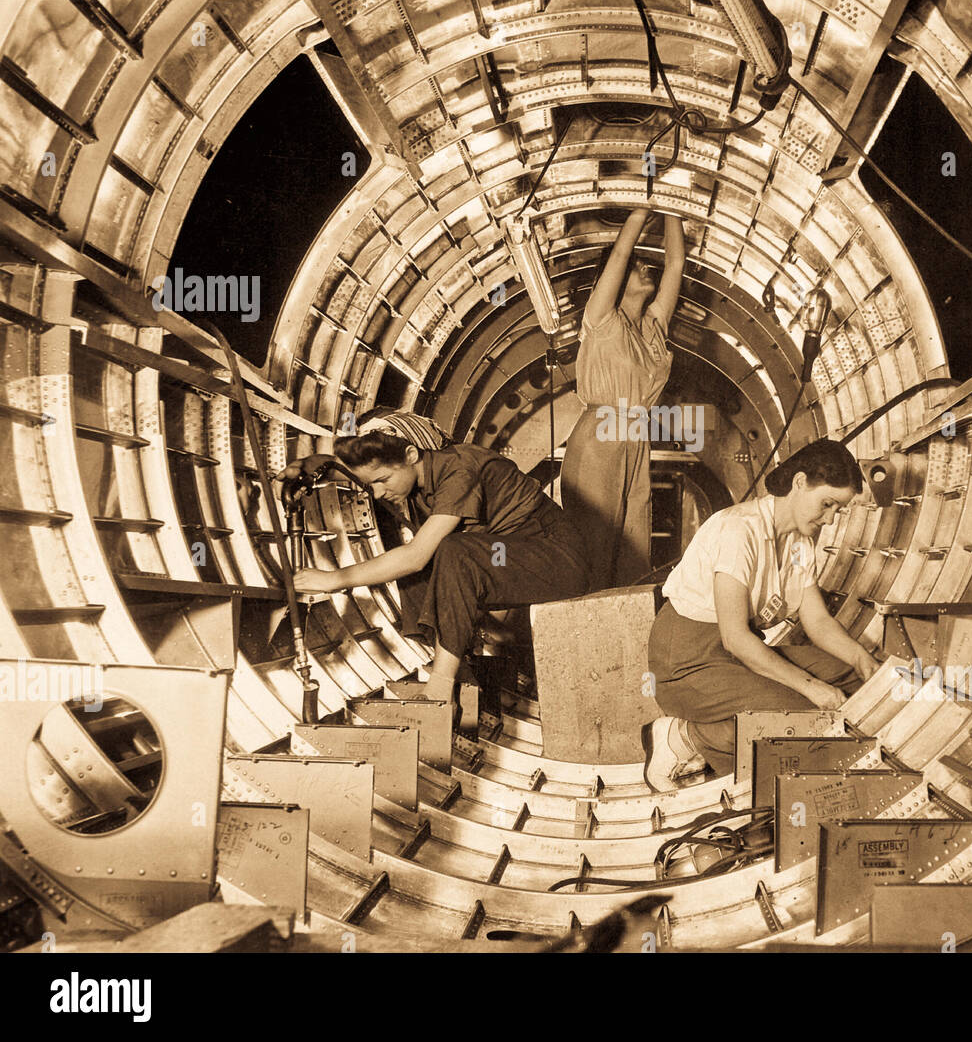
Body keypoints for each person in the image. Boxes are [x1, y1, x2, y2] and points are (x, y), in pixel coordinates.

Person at [285, 410, 589, 688]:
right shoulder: (416, 471)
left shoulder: (459, 469)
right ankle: (471, 670)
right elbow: (340, 468)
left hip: (555, 560)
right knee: (433, 559)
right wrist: (305, 467)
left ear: (411, 454)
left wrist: (334, 579)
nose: (377, 492)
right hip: (507, 554)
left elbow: (415, 558)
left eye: (382, 481)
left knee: (452, 552)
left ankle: (443, 683)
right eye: (370, 485)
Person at [641, 439, 879, 791]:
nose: (829, 519)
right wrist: (813, 688)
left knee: (852, 680)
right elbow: (735, 638)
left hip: (735, 654)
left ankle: (715, 734)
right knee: (806, 714)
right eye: (827, 504)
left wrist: (863, 660)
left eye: (837, 511)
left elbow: (817, 622)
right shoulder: (740, 530)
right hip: (685, 660)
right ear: (799, 483)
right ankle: (684, 738)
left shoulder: (799, 543)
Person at [560, 207, 684, 590]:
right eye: (638, 266)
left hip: (635, 437)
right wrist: (642, 209)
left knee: (635, 553)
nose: (648, 269)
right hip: (600, 436)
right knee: (594, 549)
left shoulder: (652, 328)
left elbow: (676, 263)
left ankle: (626, 641)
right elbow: (617, 255)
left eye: (647, 265)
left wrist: (675, 208)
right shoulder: (601, 318)